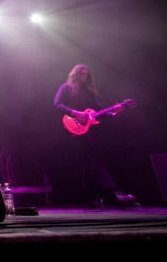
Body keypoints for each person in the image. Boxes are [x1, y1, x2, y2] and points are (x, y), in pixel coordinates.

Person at [53, 64, 138, 209]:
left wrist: (115, 113)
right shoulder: (66, 87)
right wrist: (75, 113)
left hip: (88, 129)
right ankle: (113, 194)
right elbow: (57, 104)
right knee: (94, 157)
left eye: (86, 75)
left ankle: (91, 198)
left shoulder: (89, 92)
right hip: (72, 127)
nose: (83, 77)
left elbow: (99, 112)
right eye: (81, 74)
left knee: (90, 161)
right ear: (75, 75)